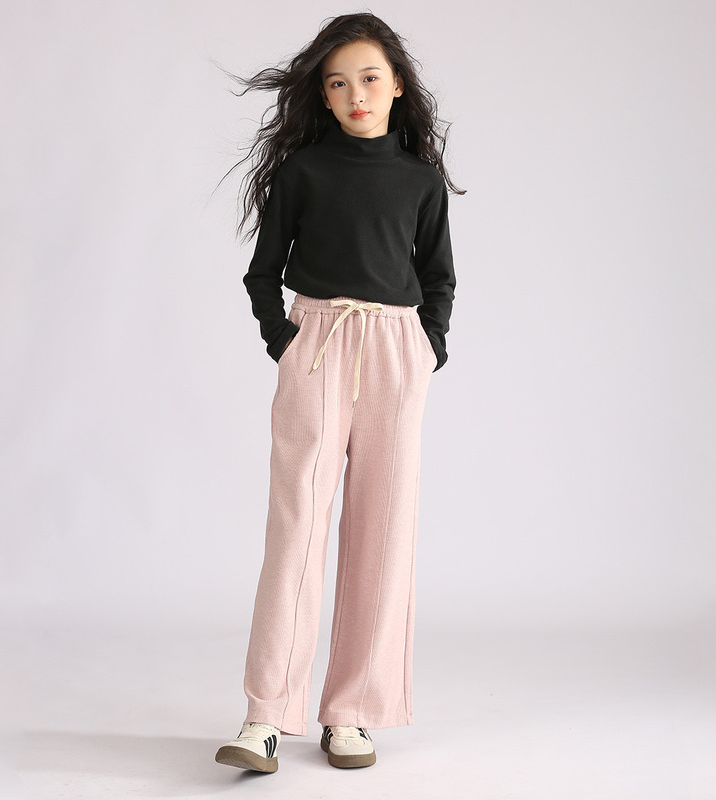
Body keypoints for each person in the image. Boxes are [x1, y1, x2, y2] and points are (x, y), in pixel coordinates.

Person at [214, 11, 463, 773]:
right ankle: (265, 715)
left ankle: (351, 712)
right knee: (296, 526)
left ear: (397, 86)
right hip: (318, 344)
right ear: (322, 96)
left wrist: (427, 347)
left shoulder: (421, 180)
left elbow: (438, 276)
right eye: (338, 83)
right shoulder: (304, 172)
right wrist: (285, 342)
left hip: (395, 349)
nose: (356, 94)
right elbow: (262, 272)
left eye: (369, 78)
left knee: (383, 533)